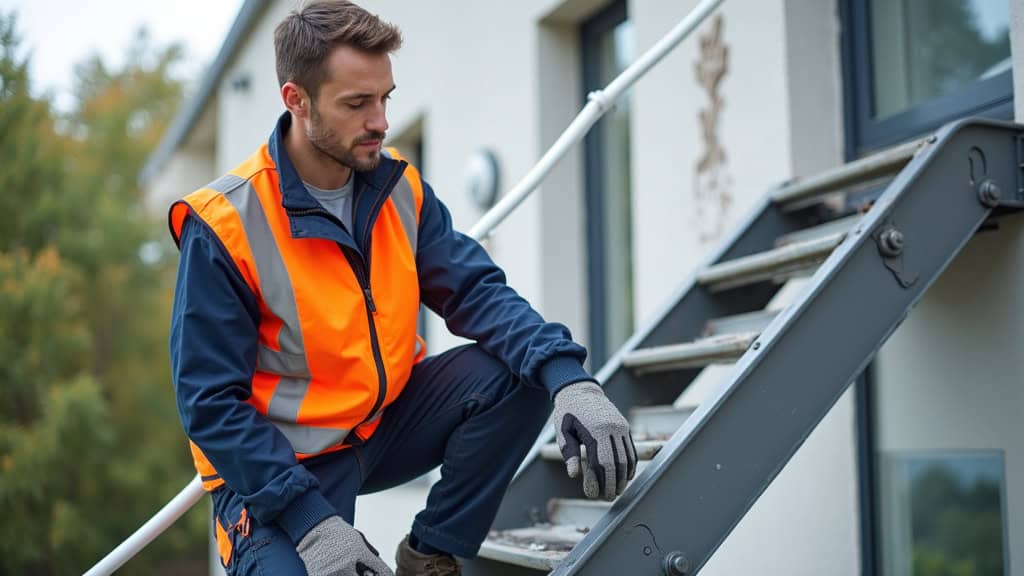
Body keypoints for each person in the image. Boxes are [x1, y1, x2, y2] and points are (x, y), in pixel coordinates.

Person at [168, 1, 636, 574]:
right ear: (296, 100)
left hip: (381, 427)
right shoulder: (223, 223)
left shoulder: (398, 186)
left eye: (385, 97)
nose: (381, 121)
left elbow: (477, 292)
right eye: (357, 103)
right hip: (279, 466)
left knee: (521, 372)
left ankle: (431, 553)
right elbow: (211, 404)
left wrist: (571, 378)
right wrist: (313, 526)